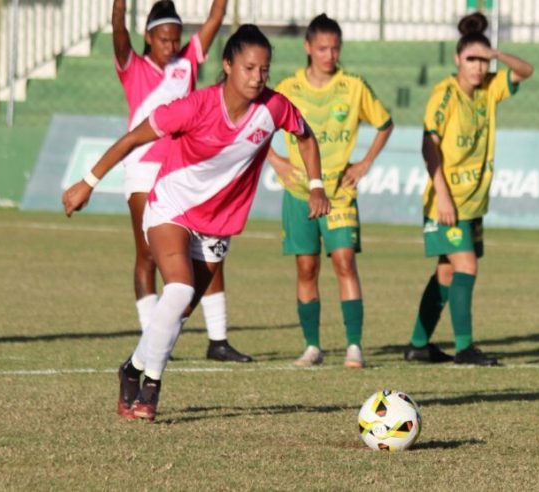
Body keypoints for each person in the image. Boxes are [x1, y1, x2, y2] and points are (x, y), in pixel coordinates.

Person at [63, 25, 331, 421]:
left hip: (217, 225)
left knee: (179, 311)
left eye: (265, 70)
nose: (258, 77)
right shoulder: (193, 107)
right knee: (179, 289)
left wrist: (316, 186)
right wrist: (88, 182)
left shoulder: (273, 108)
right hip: (169, 208)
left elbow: (305, 137)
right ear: (227, 65)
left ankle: (132, 368)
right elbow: (133, 139)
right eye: (249, 68)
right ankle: (150, 389)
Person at [112, 0, 252, 362]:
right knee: (148, 255)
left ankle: (218, 340)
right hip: (143, 169)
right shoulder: (133, 67)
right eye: (163, 39)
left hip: (184, 171)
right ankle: (152, 338)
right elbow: (118, 32)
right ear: (149, 37)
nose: (171, 46)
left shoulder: (186, 64)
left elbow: (216, 17)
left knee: (206, 252)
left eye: (175, 39)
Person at [403, 12, 533, 365]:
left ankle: (417, 344)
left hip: (473, 203)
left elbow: (526, 71)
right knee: (467, 266)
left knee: (446, 271)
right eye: (471, 59)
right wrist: (442, 195)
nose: (477, 67)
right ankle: (464, 348)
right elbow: (428, 145)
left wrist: (498, 56)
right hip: (448, 202)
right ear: (457, 59)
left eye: (482, 60)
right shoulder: (444, 95)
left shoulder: (490, 87)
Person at [267, 14, 393, 369]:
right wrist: (274, 159)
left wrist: (365, 162)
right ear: (308, 47)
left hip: (338, 191)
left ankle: (354, 345)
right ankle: (312, 346)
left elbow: (385, 123)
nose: (329, 54)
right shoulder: (288, 88)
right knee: (306, 267)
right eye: (322, 47)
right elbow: (255, 125)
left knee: (344, 260)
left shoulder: (353, 86)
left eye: (335, 48)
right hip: (298, 192)